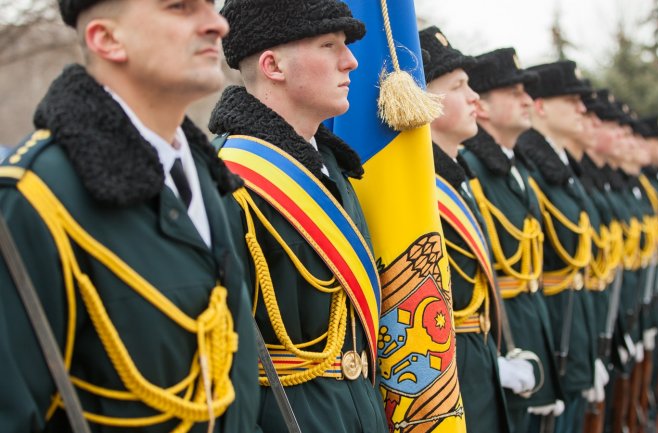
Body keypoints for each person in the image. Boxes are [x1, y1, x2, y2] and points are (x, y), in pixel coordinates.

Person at [0, 0, 261, 432]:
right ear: (106, 38)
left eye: (212, 7)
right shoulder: (33, 197)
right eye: (180, 7)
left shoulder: (203, 174)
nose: (217, 24)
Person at [207, 1, 388, 432]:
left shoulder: (334, 168)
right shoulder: (229, 178)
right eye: (329, 45)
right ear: (273, 66)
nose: (351, 61)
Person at [461, 47, 565, 433]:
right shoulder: (470, 169)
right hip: (503, 333)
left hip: (532, 325)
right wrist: (499, 354)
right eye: (514, 93)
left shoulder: (518, 168)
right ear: (483, 108)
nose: (527, 101)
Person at [418, 26, 513, 433]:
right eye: (459, 86)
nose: (475, 97)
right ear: (425, 101)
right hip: (448, 370)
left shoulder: (459, 179)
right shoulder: (418, 190)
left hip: (479, 355)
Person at [516, 60, 598, 433]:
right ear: (542, 107)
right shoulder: (532, 169)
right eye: (572, 100)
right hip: (550, 332)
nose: (583, 109)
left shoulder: (560, 170)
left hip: (573, 330)